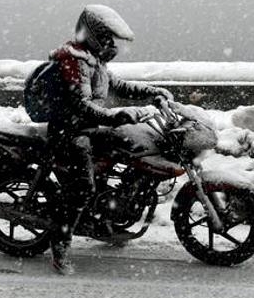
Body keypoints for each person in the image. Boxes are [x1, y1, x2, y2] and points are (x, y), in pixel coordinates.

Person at [46, 4, 173, 274]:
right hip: (70, 131)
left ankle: (109, 216)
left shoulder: (94, 59)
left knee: (124, 151)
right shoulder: (73, 59)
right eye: (106, 37)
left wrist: (153, 92)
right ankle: (60, 246)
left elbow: (120, 86)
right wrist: (116, 116)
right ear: (92, 33)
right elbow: (81, 106)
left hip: (89, 128)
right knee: (83, 187)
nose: (111, 44)